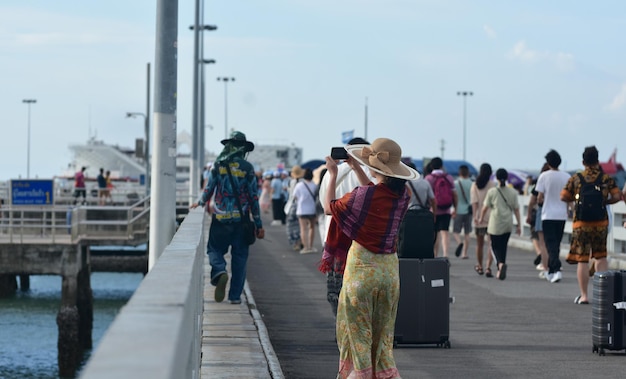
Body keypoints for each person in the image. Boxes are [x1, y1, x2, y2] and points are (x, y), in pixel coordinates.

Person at [321, 137, 418, 379]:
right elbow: (375, 194)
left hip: (361, 274)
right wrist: (356, 167)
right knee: (382, 340)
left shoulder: (360, 196)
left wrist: (332, 173)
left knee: (358, 338)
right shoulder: (403, 197)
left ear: (374, 168)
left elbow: (329, 207)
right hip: (389, 275)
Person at [189, 131, 265, 304]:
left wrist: (200, 203)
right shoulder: (247, 168)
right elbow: (253, 197)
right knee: (240, 259)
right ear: (243, 148)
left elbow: (209, 188)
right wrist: (259, 224)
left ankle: (220, 270)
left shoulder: (218, 165)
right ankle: (235, 297)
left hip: (220, 219)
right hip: (242, 220)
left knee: (214, 250)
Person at [318, 137, 372, 319]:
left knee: (336, 288)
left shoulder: (331, 172)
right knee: (360, 289)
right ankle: (357, 325)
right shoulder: (371, 173)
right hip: (362, 239)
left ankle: (340, 324)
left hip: (334, 238)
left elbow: (325, 205)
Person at [561, 146, 622, 304]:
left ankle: (584, 295)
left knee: (582, 260)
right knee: (600, 257)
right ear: (597, 161)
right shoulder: (605, 178)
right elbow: (617, 195)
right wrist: (605, 201)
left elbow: (563, 196)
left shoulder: (576, 177)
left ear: (583, 161)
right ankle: (603, 296)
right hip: (600, 223)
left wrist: (577, 200)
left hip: (581, 223)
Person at [535, 149, 571, 283]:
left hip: (548, 214)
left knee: (550, 243)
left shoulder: (544, 176)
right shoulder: (566, 176)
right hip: (561, 215)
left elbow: (539, 197)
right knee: (556, 243)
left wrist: (541, 201)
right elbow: (568, 197)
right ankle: (551, 271)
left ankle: (556, 269)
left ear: (548, 162)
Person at [479, 168, 521, 280]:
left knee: (493, 246)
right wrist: (519, 225)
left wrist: (481, 218)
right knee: (503, 247)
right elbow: (516, 210)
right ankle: (500, 269)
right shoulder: (513, 192)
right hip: (508, 223)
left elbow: (485, 208)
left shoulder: (492, 192)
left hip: (495, 223)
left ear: (496, 178)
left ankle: (500, 264)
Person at [425, 157, 458, 258]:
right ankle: (446, 255)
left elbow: (427, 197)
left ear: (431, 166)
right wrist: (455, 208)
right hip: (446, 209)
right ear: (441, 166)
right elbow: (454, 194)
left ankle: (434, 255)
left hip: (432, 211)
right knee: (445, 233)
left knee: (435, 234)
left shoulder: (428, 178)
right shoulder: (448, 177)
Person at [470, 163, 495, 276]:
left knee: (479, 244)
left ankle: (479, 266)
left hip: (479, 218)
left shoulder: (475, 185)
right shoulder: (493, 185)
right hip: (491, 219)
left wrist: (475, 216)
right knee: (491, 244)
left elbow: (474, 202)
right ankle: (488, 267)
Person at [526, 163, 550, 275]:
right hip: (557, 215)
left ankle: (544, 263)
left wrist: (529, 213)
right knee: (552, 241)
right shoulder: (557, 179)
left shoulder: (540, 181)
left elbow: (533, 200)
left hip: (541, 212)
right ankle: (553, 263)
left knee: (540, 239)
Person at [293, 168, 319, 254]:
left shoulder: (299, 185)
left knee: (303, 229)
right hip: (312, 209)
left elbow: (295, 197)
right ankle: (311, 246)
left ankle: (305, 247)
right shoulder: (314, 185)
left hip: (302, 209)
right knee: (312, 228)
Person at [453, 164, 473, 259]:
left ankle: (459, 242)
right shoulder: (472, 183)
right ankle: (464, 253)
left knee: (456, 231)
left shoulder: (456, 183)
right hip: (469, 210)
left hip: (458, 210)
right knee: (467, 233)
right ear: (468, 173)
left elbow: (454, 196)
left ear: (459, 173)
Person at [284, 165, 305, 251]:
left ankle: (295, 243)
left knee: (291, 225)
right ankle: (300, 241)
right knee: (300, 226)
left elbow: (291, 195)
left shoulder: (291, 182)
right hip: (301, 206)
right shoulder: (303, 182)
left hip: (291, 206)